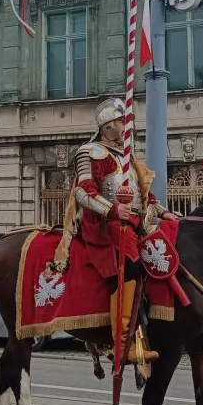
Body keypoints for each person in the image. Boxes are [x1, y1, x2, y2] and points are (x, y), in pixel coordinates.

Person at [67, 97, 175, 371]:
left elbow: (144, 195)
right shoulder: (91, 152)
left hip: (134, 224)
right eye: (121, 122)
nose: (126, 127)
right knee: (132, 267)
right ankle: (122, 343)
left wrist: (164, 212)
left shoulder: (127, 158)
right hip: (105, 226)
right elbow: (83, 192)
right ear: (108, 126)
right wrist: (114, 210)